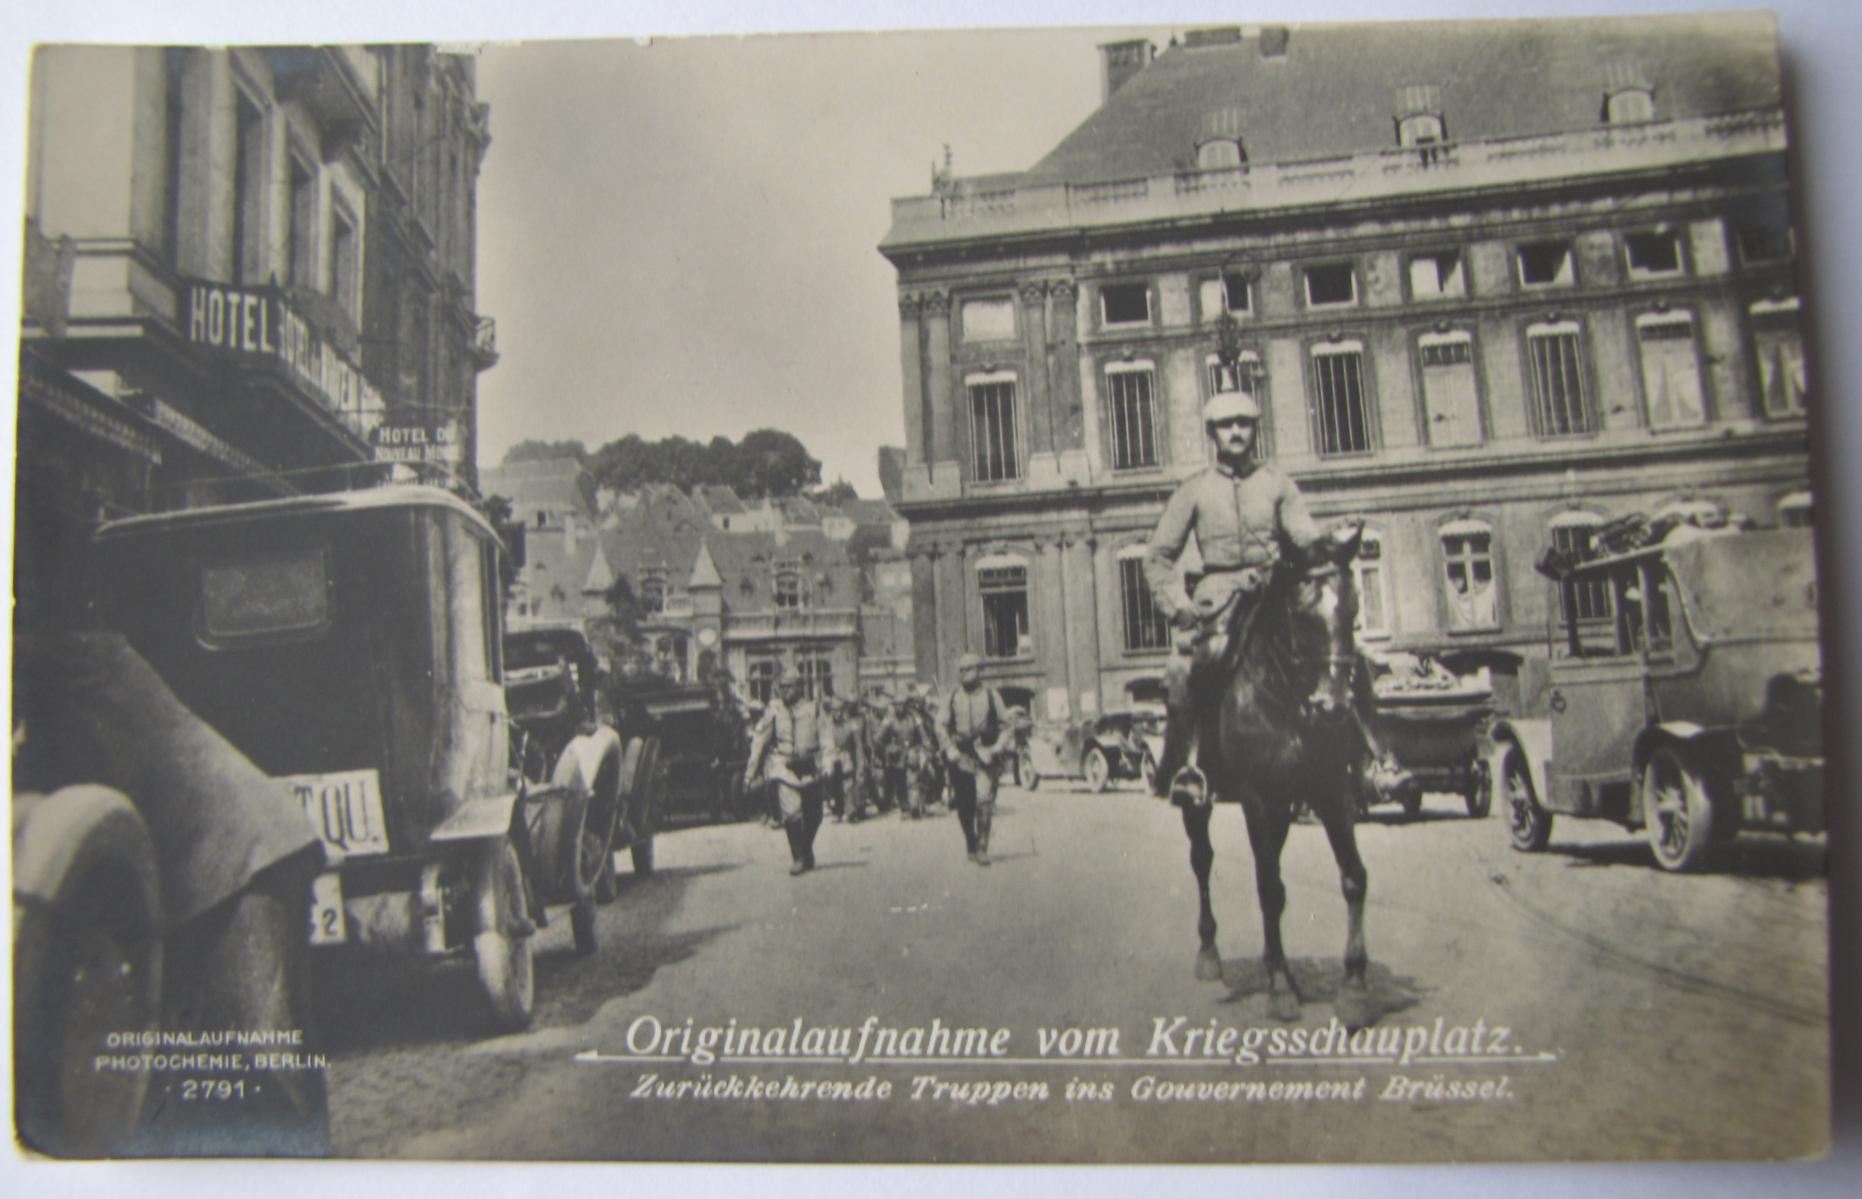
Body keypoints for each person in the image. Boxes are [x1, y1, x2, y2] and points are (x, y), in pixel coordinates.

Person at [1143, 388, 1323, 807]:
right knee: (1185, 670)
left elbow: (1306, 540)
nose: (1236, 432)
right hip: (1218, 602)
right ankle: (1190, 767)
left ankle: (1365, 760)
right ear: (1212, 433)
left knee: (1336, 652)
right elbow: (1158, 557)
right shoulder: (1195, 490)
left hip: (1274, 593)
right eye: (1227, 425)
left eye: (1244, 424)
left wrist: (1323, 550)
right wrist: (1178, 606)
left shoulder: (1277, 483)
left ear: (1256, 429)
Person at [744, 670, 826, 875]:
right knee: (792, 813)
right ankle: (798, 857)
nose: (785, 691)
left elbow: (827, 737)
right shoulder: (774, 711)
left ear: (799, 686)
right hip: (784, 767)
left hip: (810, 766)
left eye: (789, 686)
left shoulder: (813, 709)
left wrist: (828, 763)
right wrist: (749, 774)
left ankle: (806, 847)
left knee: (815, 814)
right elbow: (759, 743)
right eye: (782, 687)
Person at [938, 653, 1011, 865]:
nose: (964, 673)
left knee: (984, 800)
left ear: (980, 670)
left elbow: (1006, 725)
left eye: (969, 669)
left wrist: (997, 747)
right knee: (964, 804)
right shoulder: (951, 697)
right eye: (961, 669)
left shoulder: (991, 696)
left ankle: (982, 848)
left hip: (984, 754)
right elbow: (940, 725)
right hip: (960, 756)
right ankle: (971, 842)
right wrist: (949, 748)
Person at [875, 694, 927, 819]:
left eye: (902, 705)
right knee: (900, 781)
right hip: (897, 754)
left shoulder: (914, 717)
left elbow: (923, 735)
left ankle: (915, 806)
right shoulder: (889, 720)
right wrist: (887, 750)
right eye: (897, 705)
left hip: (912, 751)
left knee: (913, 779)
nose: (900, 708)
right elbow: (877, 738)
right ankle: (905, 807)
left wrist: (924, 746)